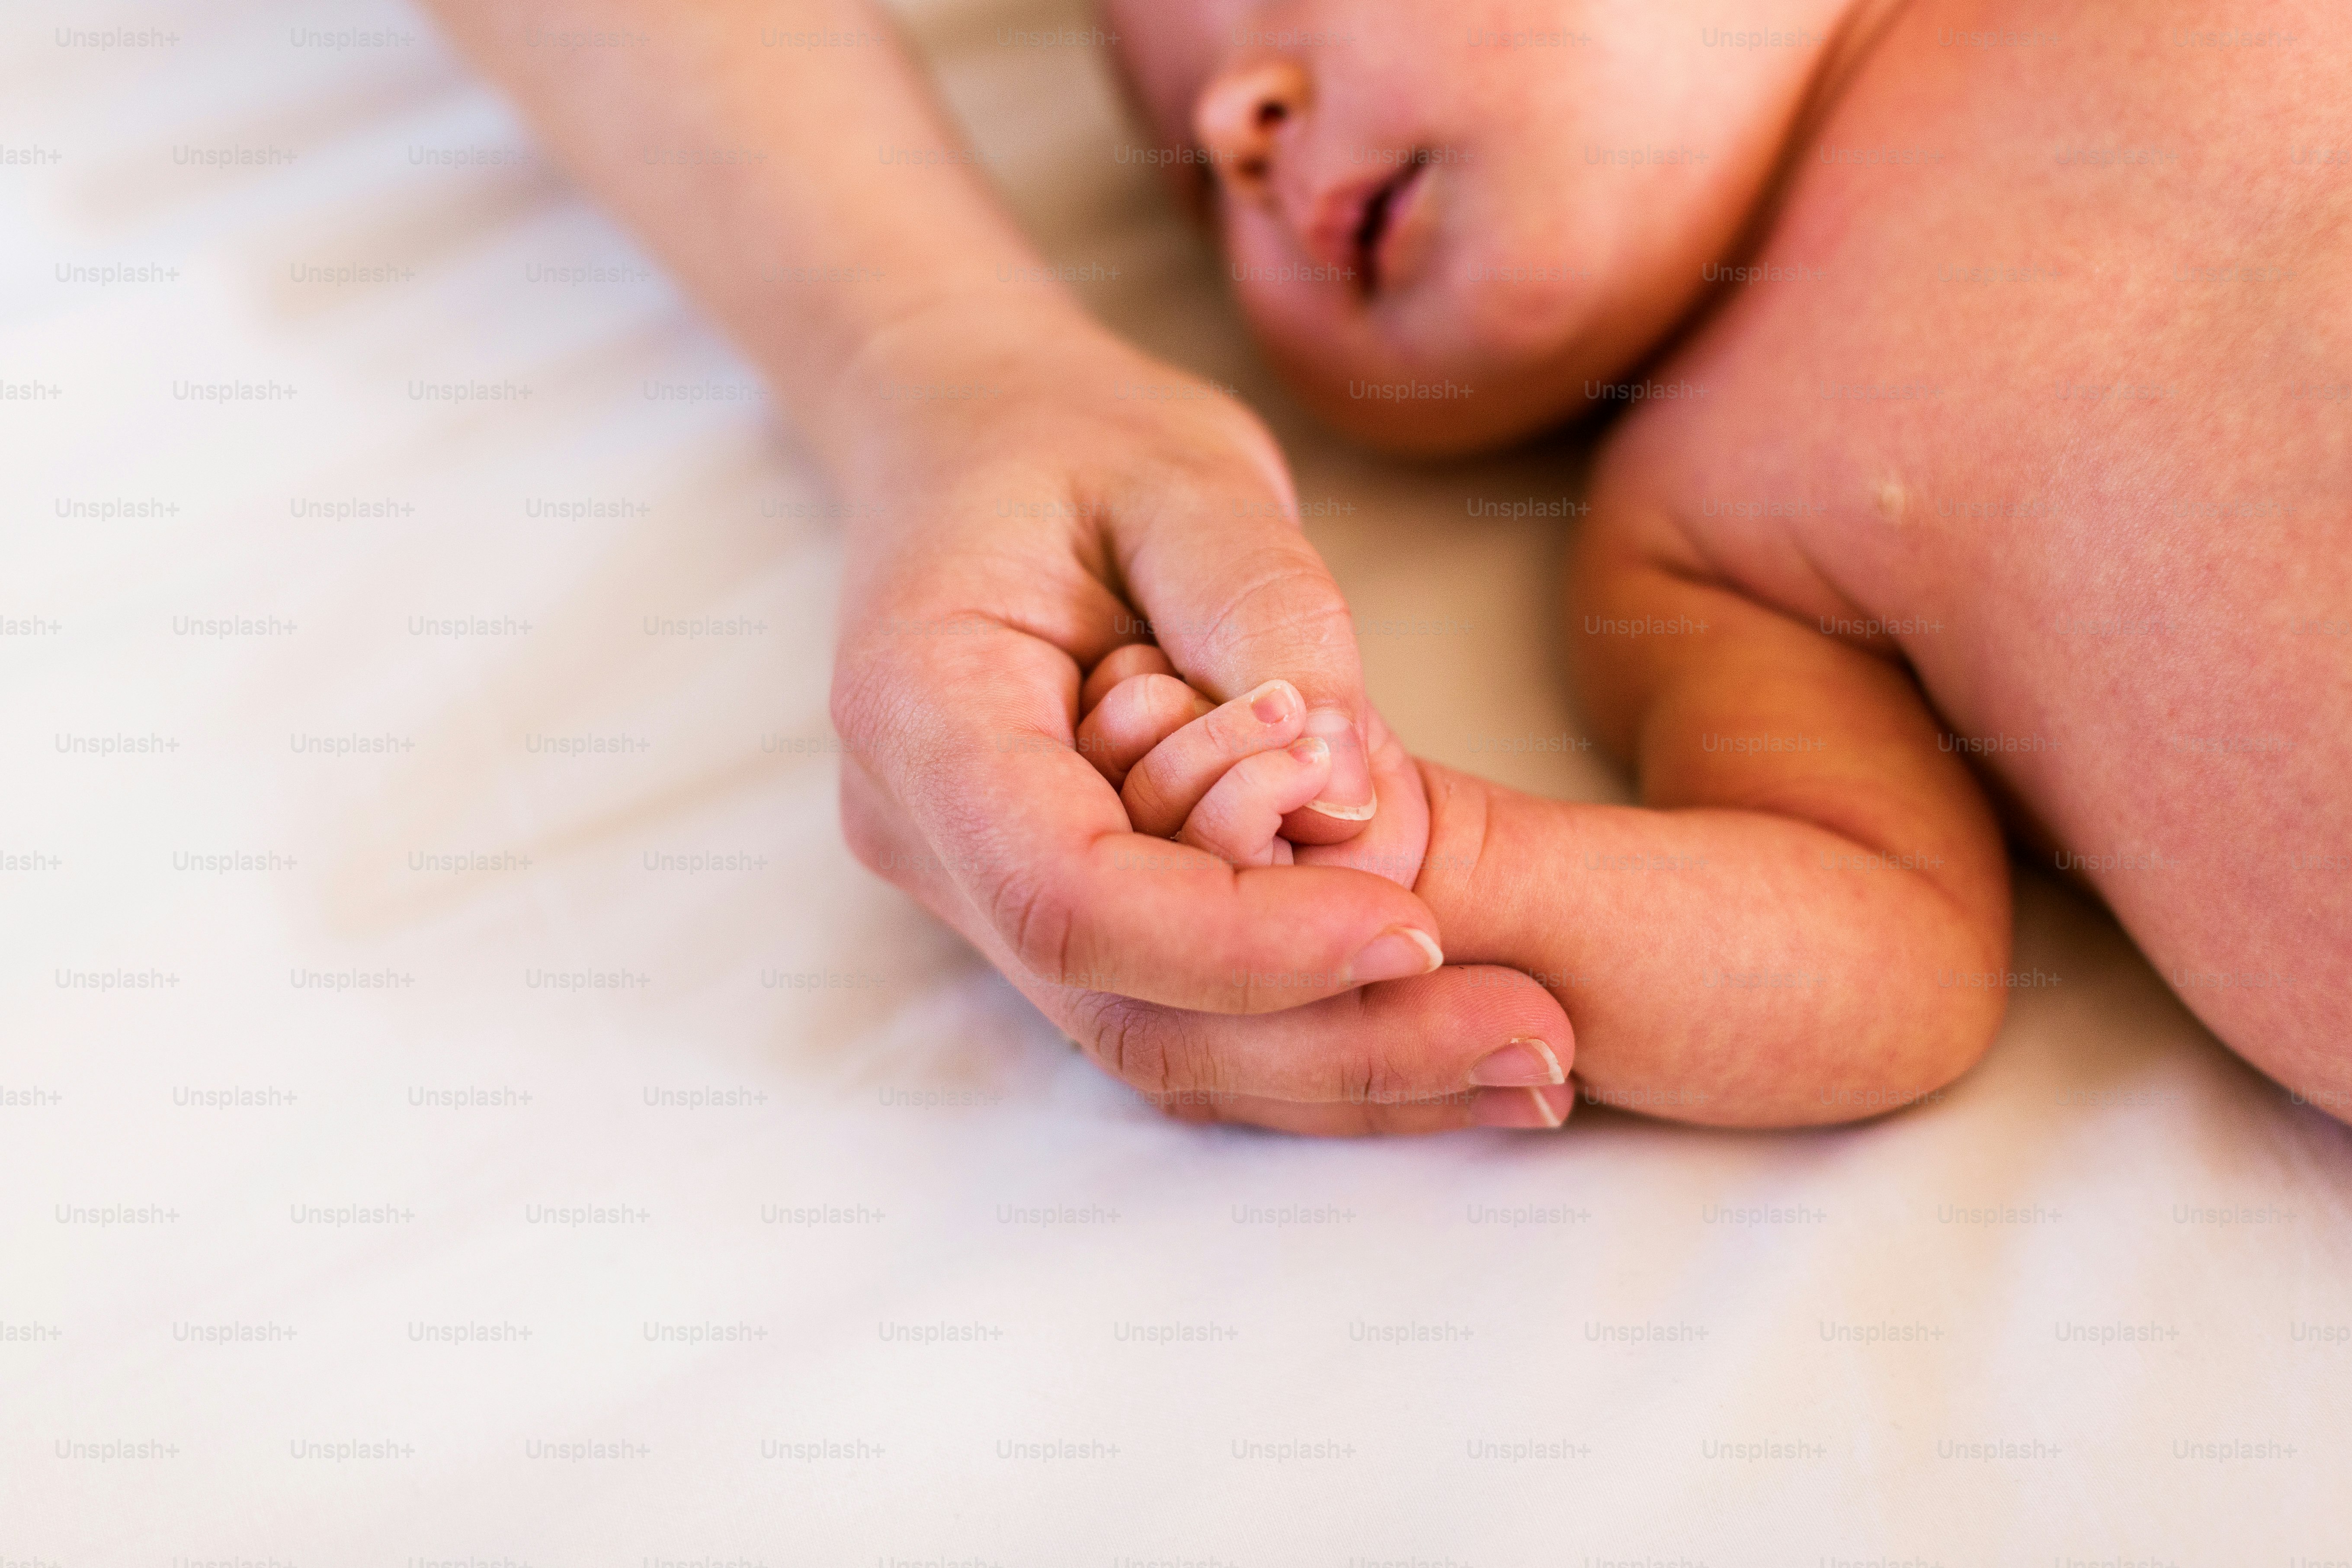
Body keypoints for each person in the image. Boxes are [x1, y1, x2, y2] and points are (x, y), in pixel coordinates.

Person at [426, 0, 2350, 1131]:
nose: (1235, 118)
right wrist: (1442, 860)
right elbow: (1891, 956)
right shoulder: (1700, 520)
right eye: (1192, 177)